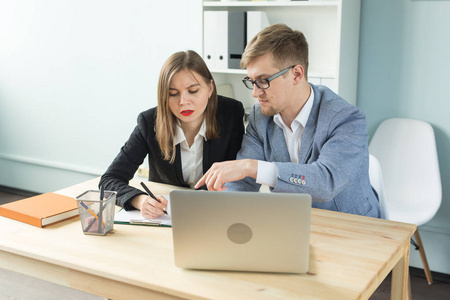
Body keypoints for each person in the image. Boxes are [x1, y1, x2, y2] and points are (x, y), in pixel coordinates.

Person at [195, 24, 381, 218]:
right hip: (292, 223)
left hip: (353, 227)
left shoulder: (346, 118)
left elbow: (325, 182)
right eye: (251, 81)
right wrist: (225, 208)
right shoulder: (260, 115)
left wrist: (252, 167)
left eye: (263, 80)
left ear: (296, 74)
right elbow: (242, 182)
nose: (255, 92)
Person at [100, 50, 245, 219]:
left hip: (214, 214)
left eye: (193, 90)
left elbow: (236, 176)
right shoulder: (148, 122)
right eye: (173, 94)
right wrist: (140, 201)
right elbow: (109, 180)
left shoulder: (231, 113)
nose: (183, 101)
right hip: (166, 219)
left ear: (210, 88)